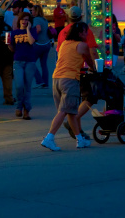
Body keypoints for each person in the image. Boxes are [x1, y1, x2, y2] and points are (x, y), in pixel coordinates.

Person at [41, 22, 97, 151]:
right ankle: (49, 138)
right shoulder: (82, 46)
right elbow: (89, 61)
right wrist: (95, 69)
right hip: (70, 79)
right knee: (64, 111)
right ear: (78, 33)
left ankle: (80, 139)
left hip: (56, 79)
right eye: (84, 32)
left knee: (71, 112)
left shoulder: (65, 43)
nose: (86, 34)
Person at [55, 7, 101, 137]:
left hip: (62, 72)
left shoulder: (62, 32)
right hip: (79, 71)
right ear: (81, 16)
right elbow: (92, 51)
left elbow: (59, 53)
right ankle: (73, 124)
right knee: (90, 97)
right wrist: (97, 68)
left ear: (68, 17)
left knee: (75, 102)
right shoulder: (84, 30)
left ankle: (78, 131)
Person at [8, 11, 37, 119]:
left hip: (30, 61)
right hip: (18, 61)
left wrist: (28, 29)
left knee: (27, 87)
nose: (24, 21)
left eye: (27, 20)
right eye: (23, 19)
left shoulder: (32, 31)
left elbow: (31, 42)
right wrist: (8, 44)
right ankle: (19, 105)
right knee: (19, 85)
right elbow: (12, 49)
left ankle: (26, 110)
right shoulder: (14, 33)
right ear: (19, 20)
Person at [31, 5, 52, 89]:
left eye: (32, 10)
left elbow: (38, 29)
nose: (31, 12)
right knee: (44, 64)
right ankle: (45, 83)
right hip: (47, 44)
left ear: (36, 11)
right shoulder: (44, 20)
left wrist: (32, 36)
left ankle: (39, 80)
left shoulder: (36, 19)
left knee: (31, 62)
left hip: (39, 44)